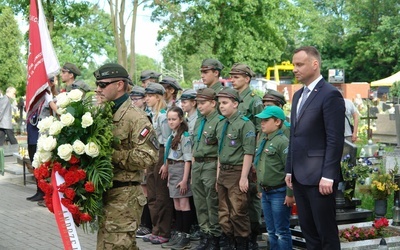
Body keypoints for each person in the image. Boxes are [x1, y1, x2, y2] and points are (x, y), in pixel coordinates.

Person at [93, 63, 159, 250]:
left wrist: (109, 155)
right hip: (107, 193)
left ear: (120, 84)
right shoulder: (104, 114)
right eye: (97, 84)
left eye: (103, 84)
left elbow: (148, 156)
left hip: (125, 195)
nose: (98, 89)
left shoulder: (135, 117)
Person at [285, 46, 345, 249]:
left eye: (299, 64)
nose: (295, 69)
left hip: (320, 177)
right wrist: (289, 168)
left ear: (315, 64)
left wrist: (329, 174)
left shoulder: (330, 95)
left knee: (325, 234)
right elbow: (294, 135)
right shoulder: (297, 96)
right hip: (300, 176)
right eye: (294, 64)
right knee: (308, 233)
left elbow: (335, 139)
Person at [216, 87, 256, 250]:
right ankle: (229, 241)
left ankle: (242, 243)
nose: (221, 106)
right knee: (223, 213)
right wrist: (217, 177)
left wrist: (244, 177)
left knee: (238, 212)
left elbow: (248, 153)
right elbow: (220, 152)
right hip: (223, 172)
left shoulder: (245, 124)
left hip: (237, 172)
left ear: (235, 104)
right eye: (219, 103)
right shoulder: (221, 124)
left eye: (225, 103)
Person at [230, 63, 263, 249]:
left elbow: (260, 129)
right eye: (232, 77)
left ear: (247, 78)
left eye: (236, 76)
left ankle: (253, 235)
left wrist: (254, 159)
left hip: (249, 153)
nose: (233, 80)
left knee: (251, 195)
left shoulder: (253, 100)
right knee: (239, 197)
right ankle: (240, 234)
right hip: (235, 155)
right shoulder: (233, 98)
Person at [254, 106, 294, 249]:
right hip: (265, 192)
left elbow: (290, 169)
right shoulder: (263, 139)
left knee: (281, 231)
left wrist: (290, 194)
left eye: (266, 120)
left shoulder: (282, 142)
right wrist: (259, 188)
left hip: (279, 192)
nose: (262, 123)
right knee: (271, 231)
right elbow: (260, 165)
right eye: (261, 120)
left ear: (277, 122)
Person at [191, 88, 222, 250]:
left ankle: (215, 237)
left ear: (213, 103)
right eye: (198, 103)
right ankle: (205, 234)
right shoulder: (199, 121)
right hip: (198, 165)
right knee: (200, 202)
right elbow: (195, 144)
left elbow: (220, 149)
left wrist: (218, 173)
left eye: (203, 103)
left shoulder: (219, 121)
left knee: (212, 202)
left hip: (211, 164)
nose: (199, 106)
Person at [144, 83, 174, 245]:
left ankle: (164, 230)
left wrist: (166, 162)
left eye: (150, 96)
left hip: (162, 152)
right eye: (146, 96)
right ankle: (155, 229)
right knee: (152, 194)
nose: (146, 99)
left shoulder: (163, 116)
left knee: (162, 195)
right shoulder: (153, 114)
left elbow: (169, 140)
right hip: (152, 152)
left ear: (158, 97)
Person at [161, 106, 193, 250]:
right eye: (169, 119)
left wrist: (185, 179)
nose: (171, 122)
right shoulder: (172, 135)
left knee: (184, 203)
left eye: (174, 119)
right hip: (173, 170)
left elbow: (187, 159)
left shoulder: (184, 136)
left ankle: (185, 235)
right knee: (176, 204)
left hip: (181, 170)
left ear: (181, 119)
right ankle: (178, 233)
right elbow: (169, 155)